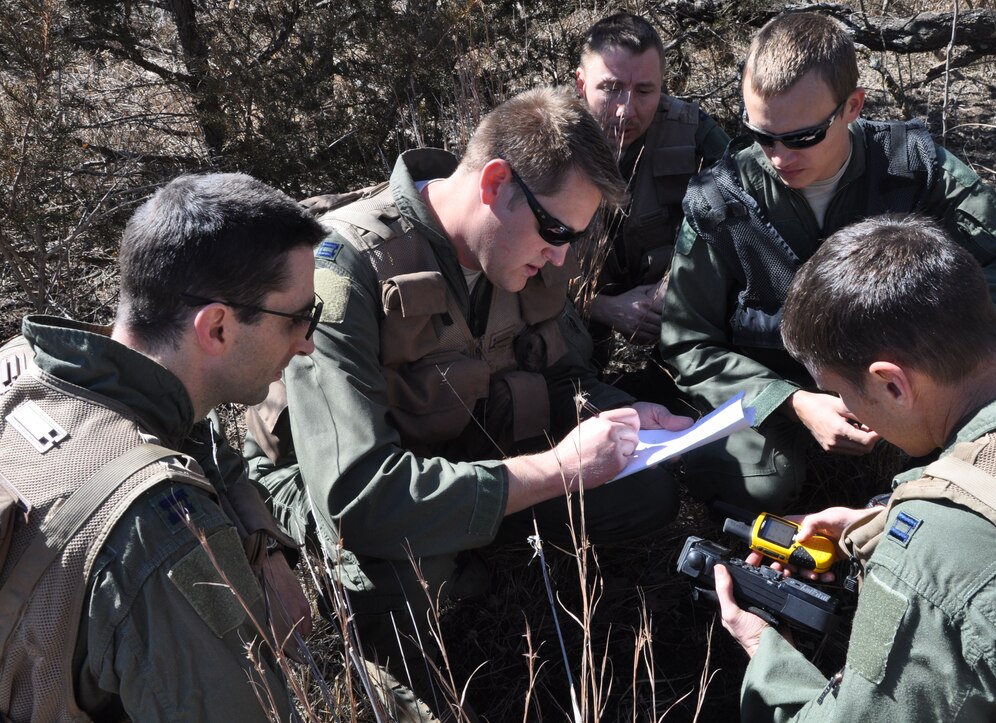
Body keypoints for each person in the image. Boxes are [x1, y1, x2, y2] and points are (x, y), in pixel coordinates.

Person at [245, 87, 692, 714]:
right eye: (556, 230)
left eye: (575, 238)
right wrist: (557, 471)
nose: (562, 255)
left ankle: (478, 554)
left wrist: (616, 414)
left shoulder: (523, 252)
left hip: (469, 451)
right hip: (332, 486)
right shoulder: (345, 271)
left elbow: (560, 375)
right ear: (495, 183)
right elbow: (358, 500)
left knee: (644, 490)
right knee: (409, 573)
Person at [660, 11, 996, 511]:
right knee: (759, 478)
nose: (781, 156)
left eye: (803, 137)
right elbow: (688, 343)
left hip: (914, 367)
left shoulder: (912, 164)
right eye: (762, 136)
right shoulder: (720, 202)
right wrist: (791, 401)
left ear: (853, 106)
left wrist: (930, 321)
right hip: (783, 379)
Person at [714, 214, 996, 720]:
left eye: (842, 394)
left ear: (892, 384)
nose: (845, 410)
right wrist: (895, 514)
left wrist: (766, 657)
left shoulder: (934, 554)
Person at [0, 173, 324, 721]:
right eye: (296, 317)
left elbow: (182, 430)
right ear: (217, 328)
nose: (307, 341)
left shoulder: (23, 367)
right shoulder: (165, 535)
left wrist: (264, 548)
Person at [576, 12, 730, 357]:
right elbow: (512, 272)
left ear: (662, 86)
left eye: (644, 91)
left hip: (670, 306)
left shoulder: (692, 131)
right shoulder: (547, 136)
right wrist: (600, 307)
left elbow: (743, 218)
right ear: (581, 83)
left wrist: (675, 284)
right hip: (574, 314)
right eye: (611, 89)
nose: (625, 111)